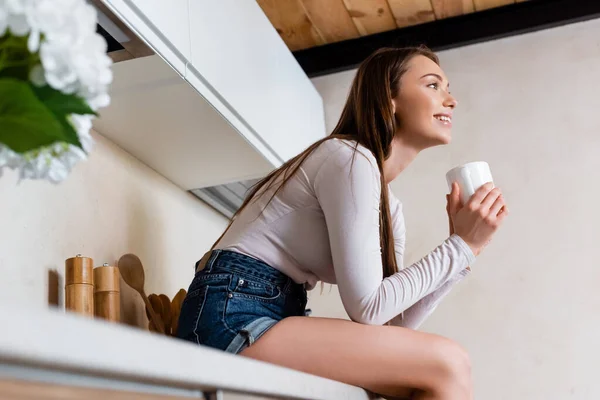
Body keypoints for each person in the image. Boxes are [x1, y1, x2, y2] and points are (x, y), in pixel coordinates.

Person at [176, 46, 508, 400]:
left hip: (275, 312)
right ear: (389, 97)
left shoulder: (389, 207)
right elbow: (369, 307)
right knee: (449, 362)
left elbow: (387, 324)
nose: (451, 99)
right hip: (232, 311)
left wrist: (464, 250)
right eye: (433, 85)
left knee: (437, 372)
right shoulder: (349, 157)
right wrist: (460, 247)